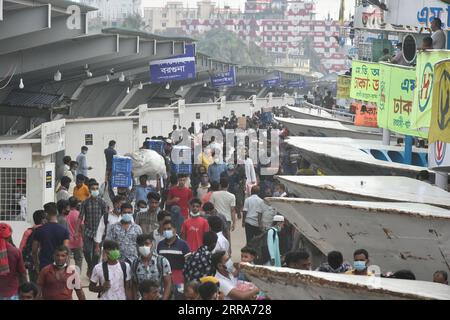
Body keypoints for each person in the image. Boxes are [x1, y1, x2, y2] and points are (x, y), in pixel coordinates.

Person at [77, 181, 109, 278]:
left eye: (96, 188)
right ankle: (90, 266)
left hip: (99, 232)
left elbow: (106, 217)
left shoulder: (102, 202)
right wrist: (76, 231)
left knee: (96, 253)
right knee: (86, 251)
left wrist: (106, 230)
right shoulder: (85, 202)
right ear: (90, 190)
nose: (95, 190)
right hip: (88, 231)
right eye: (93, 189)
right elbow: (80, 217)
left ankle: (93, 270)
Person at [131, 234, 172, 300]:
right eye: (141, 245)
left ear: (152, 244)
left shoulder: (161, 261)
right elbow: (134, 285)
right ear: (137, 246)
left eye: (147, 244)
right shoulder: (135, 263)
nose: (144, 247)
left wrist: (164, 299)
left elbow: (168, 283)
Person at [32, 203, 70, 272]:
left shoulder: (39, 230)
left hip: (44, 265)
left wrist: (37, 265)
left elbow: (34, 250)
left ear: (46, 214)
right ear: (57, 213)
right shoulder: (64, 231)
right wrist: (67, 266)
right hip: (59, 266)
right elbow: (66, 250)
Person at [157, 220, 190, 295]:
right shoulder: (160, 244)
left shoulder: (183, 244)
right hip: (163, 279)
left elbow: (188, 263)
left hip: (179, 279)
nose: (166, 231)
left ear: (174, 229)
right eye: (164, 229)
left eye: (169, 229)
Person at [0, 223, 27, 300]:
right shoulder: (15, 251)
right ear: (9, 237)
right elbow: (22, 273)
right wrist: (26, 289)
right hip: (12, 291)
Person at [19, 210, 46, 283]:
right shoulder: (45, 231)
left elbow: (21, 247)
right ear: (43, 220)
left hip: (31, 262)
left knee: (33, 281)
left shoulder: (28, 231)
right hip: (44, 261)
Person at [66, 197, 83, 272]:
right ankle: (77, 276)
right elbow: (82, 226)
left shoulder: (65, 214)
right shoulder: (79, 214)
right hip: (77, 240)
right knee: (78, 260)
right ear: (76, 205)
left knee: (66, 259)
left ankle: (66, 275)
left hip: (67, 241)